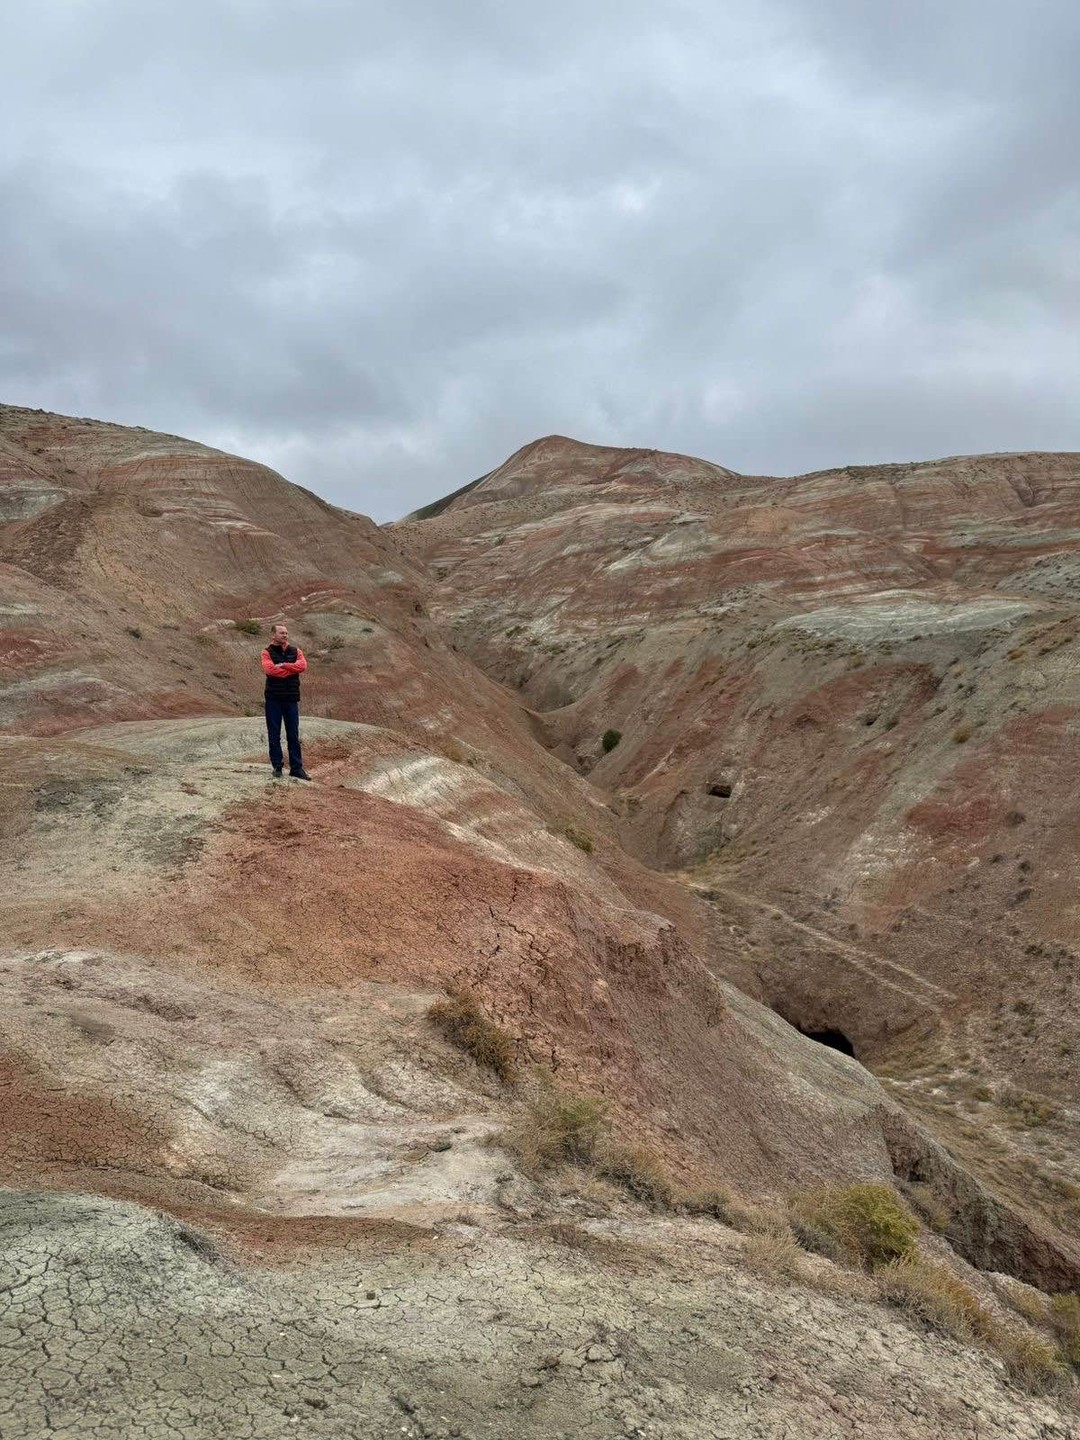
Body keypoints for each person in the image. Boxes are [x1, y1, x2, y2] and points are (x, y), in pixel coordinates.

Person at [261, 622, 311, 780]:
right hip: (273, 699)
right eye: (282, 633)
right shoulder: (266, 652)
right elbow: (270, 670)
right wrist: (290, 670)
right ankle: (277, 766)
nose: (285, 635)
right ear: (273, 635)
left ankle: (297, 768)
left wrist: (284, 665)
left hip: (291, 698)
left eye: (286, 633)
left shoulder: (296, 651)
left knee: (293, 735)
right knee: (274, 734)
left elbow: (302, 666)